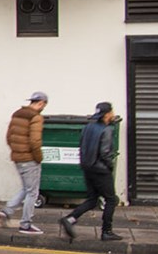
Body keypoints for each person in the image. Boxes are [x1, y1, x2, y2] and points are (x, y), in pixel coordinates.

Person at [60, 102, 124, 242]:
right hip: (101, 170)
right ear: (107, 114)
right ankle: (106, 231)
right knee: (111, 200)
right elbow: (105, 152)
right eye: (111, 112)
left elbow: (81, 146)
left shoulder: (87, 127)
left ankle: (69, 219)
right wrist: (110, 166)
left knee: (91, 200)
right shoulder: (107, 130)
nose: (113, 114)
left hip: (87, 168)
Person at [0, 91, 49, 235]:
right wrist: (38, 158)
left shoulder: (17, 114)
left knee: (26, 188)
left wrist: (16, 151)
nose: (44, 107)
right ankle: (25, 225)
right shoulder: (36, 117)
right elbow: (35, 141)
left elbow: (9, 137)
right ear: (41, 103)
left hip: (18, 158)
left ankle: (7, 212)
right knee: (33, 192)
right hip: (30, 159)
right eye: (44, 104)